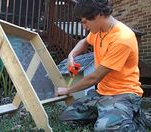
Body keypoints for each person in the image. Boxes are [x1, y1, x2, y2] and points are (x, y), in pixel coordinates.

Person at [57, 0, 150, 131]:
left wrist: (68, 90)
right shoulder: (98, 31)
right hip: (101, 93)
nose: (84, 27)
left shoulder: (122, 38)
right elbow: (84, 42)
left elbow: (94, 78)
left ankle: (134, 119)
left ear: (98, 14)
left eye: (84, 22)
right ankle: (109, 113)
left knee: (104, 129)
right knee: (66, 117)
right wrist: (71, 55)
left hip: (123, 94)